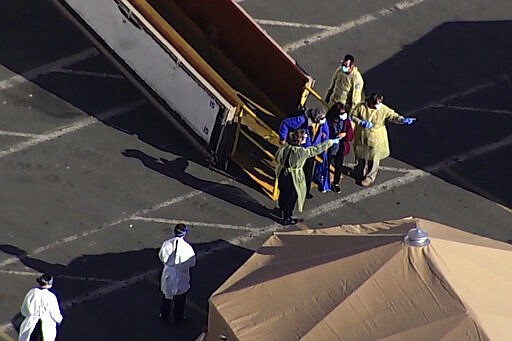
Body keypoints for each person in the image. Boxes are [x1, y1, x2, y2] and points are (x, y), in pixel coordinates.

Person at [275, 129, 340, 225]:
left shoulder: (285, 147)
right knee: (292, 197)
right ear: (299, 140)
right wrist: (330, 142)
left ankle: (282, 210)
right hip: (294, 176)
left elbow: (277, 157)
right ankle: (287, 217)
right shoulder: (301, 152)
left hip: (283, 174)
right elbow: (316, 149)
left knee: (283, 194)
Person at [350, 93, 416, 187]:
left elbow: (392, 115)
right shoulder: (361, 107)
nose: (378, 106)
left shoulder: (383, 109)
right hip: (361, 135)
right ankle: (359, 171)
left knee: (373, 158)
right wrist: (360, 122)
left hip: (376, 137)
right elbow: (352, 115)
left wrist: (402, 120)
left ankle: (370, 177)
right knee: (360, 155)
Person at [278, 107, 329, 198]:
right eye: (321, 119)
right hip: (301, 151)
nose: (323, 120)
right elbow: (285, 123)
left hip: (311, 151)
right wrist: (283, 137)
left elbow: (325, 131)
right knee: (297, 171)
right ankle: (294, 189)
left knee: (308, 173)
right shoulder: (301, 120)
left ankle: (306, 191)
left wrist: (324, 143)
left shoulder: (322, 122)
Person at [159, 223, 196, 324]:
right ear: (184, 234)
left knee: (167, 297)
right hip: (181, 276)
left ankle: (164, 316)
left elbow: (162, 257)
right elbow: (192, 262)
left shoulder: (166, 244)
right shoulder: (187, 248)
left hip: (168, 274)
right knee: (180, 299)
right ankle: (178, 318)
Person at [19, 274, 63, 341]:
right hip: (46, 326)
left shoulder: (31, 293)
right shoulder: (51, 296)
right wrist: (59, 320)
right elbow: (54, 313)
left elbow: (24, 310)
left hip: (31, 324)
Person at [326, 102, 354, 193]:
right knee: (326, 164)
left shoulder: (346, 121)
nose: (343, 115)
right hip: (330, 147)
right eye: (341, 113)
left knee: (339, 166)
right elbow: (325, 133)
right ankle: (324, 181)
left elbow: (350, 135)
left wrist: (345, 134)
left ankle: (336, 183)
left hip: (341, 148)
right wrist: (333, 136)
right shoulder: (329, 121)